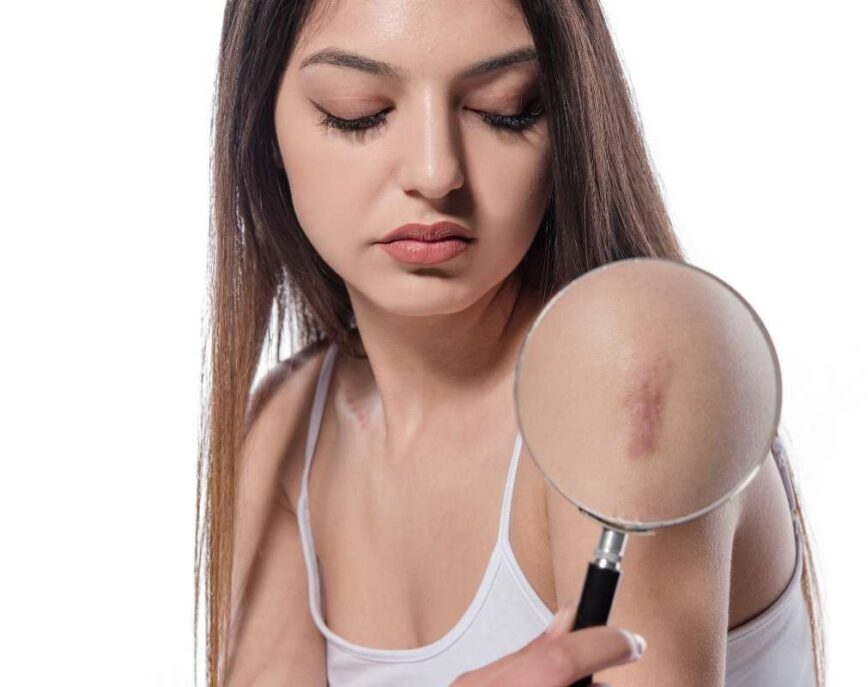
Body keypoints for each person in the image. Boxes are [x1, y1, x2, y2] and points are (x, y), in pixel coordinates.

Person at [195, 1, 827, 685]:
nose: (436, 173)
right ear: (262, 129)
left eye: (507, 108)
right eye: (360, 112)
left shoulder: (631, 366)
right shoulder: (288, 428)